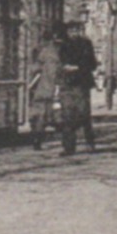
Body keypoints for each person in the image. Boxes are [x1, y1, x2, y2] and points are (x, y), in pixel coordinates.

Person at [57, 18, 98, 155]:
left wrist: (78, 67)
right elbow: (58, 63)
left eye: (76, 30)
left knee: (84, 114)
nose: (73, 33)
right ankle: (68, 147)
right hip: (67, 83)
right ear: (67, 32)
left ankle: (90, 142)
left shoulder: (86, 44)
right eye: (71, 30)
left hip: (82, 83)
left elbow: (92, 64)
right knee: (67, 116)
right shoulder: (62, 45)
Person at [26, 35, 63, 150]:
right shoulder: (65, 51)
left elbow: (35, 70)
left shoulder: (45, 52)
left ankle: (37, 139)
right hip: (58, 89)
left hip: (44, 89)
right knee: (58, 114)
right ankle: (65, 141)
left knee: (41, 115)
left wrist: (31, 84)